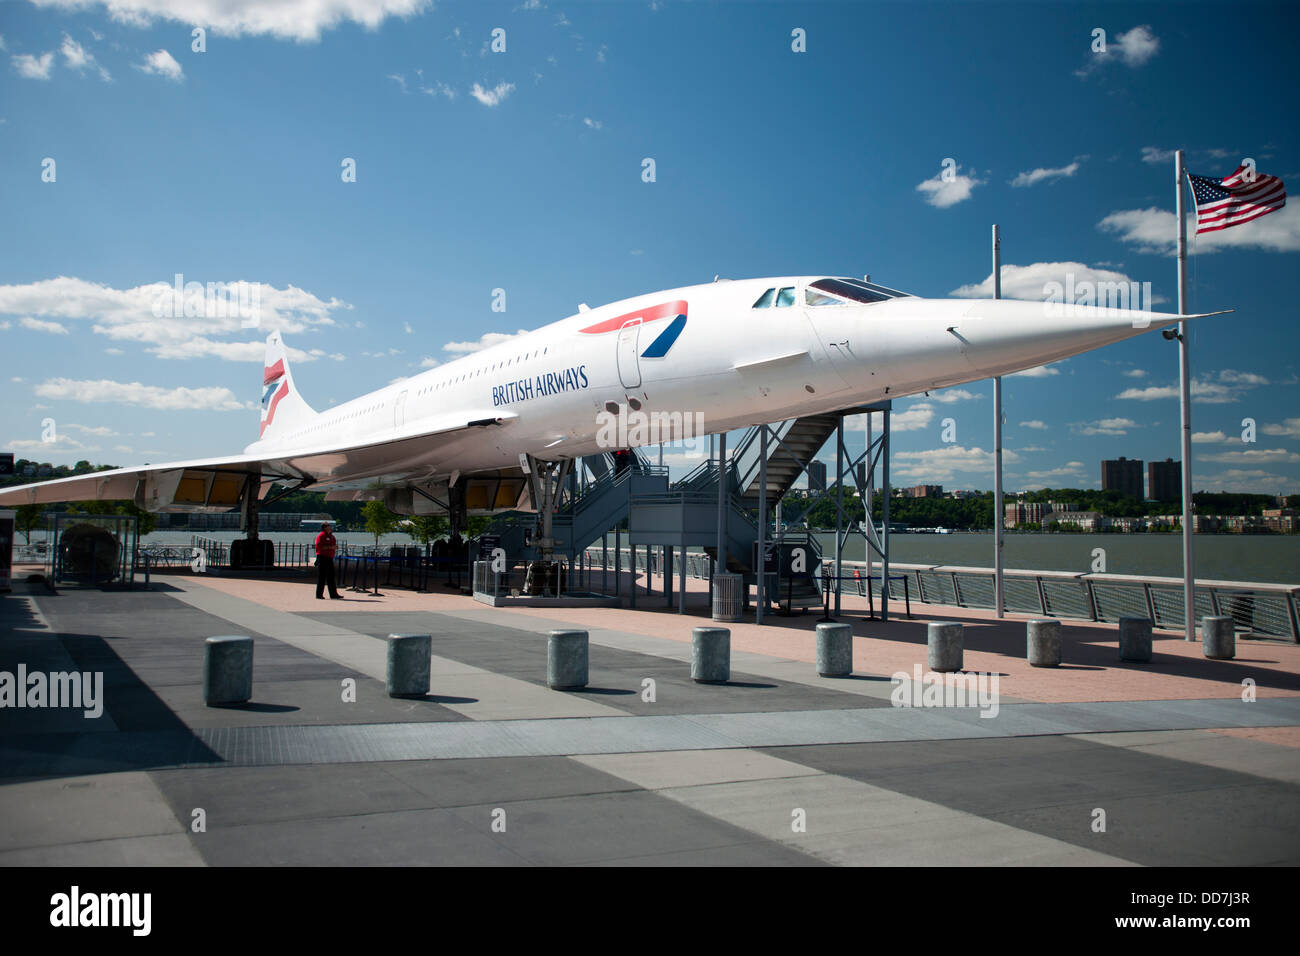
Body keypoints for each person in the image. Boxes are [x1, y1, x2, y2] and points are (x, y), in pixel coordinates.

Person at [314, 522, 342, 599]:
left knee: (331, 576)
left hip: (330, 558)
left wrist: (334, 547)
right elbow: (319, 547)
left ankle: (333, 594)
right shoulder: (321, 536)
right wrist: (330, 547)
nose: (330, 527)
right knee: (322, 577)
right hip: (322, 557)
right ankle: (319, 595)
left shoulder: (332, 536)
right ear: (324, 528)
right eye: (328, 526)